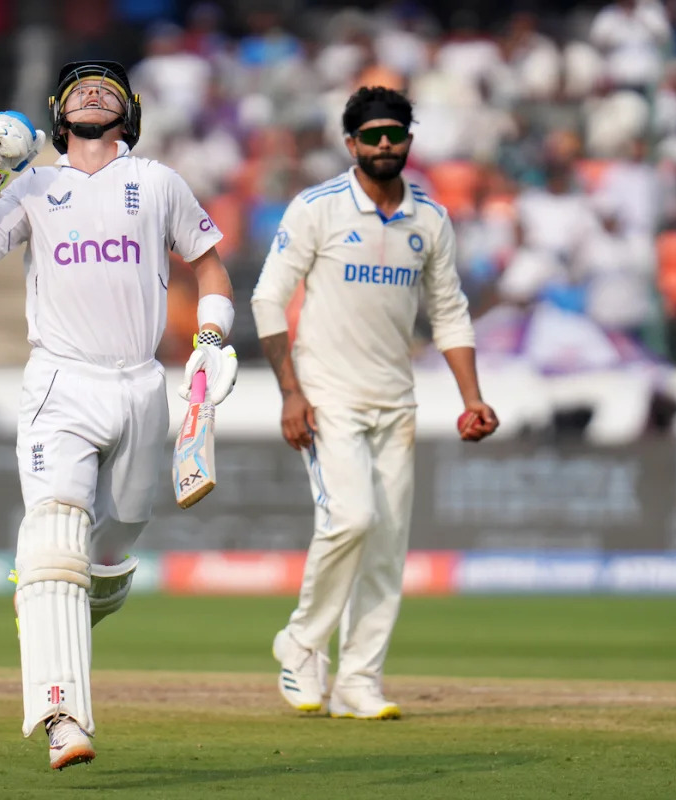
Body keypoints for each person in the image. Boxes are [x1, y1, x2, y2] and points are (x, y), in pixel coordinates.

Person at [0, 60, 237, 770]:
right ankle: (61, 716)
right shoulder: (33, 184)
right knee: (53, 538)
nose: (93, 91)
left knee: (109, 559)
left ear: (129, 112)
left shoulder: (158, 180)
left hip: (141, 385)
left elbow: (210, 265)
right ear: (58, 112)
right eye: (80, 87)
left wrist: (208, 342)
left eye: (107, 87)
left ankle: (52, 599)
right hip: (61, 383)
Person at [250, 86, 499, 720]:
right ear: (351, 143)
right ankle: (302, 644)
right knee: (352, 519)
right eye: (372, 135)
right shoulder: (317, 208)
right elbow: (267, 299)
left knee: (387, 547)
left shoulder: (431, 221)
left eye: (395, 133)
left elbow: (449, 314)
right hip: (327, 393)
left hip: (396, 400)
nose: (384, 144)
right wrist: (290, 392)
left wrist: (472, 398)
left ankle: (359, 680)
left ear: (409, 141)